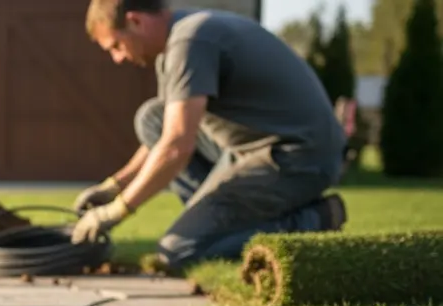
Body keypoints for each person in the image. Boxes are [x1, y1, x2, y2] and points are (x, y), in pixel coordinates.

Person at [70, 0, 348, 273]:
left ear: (135, 21)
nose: (117, 58)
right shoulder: (177, 43)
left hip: (298, 157)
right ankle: (219, 223)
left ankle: (313, 219)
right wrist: (114, 186)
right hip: (250, 149)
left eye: (117, 46)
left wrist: (116, 211)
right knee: (152, 118)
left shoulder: (191, 41)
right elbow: (168, 133)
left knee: (179, 252)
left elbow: (177, 146)